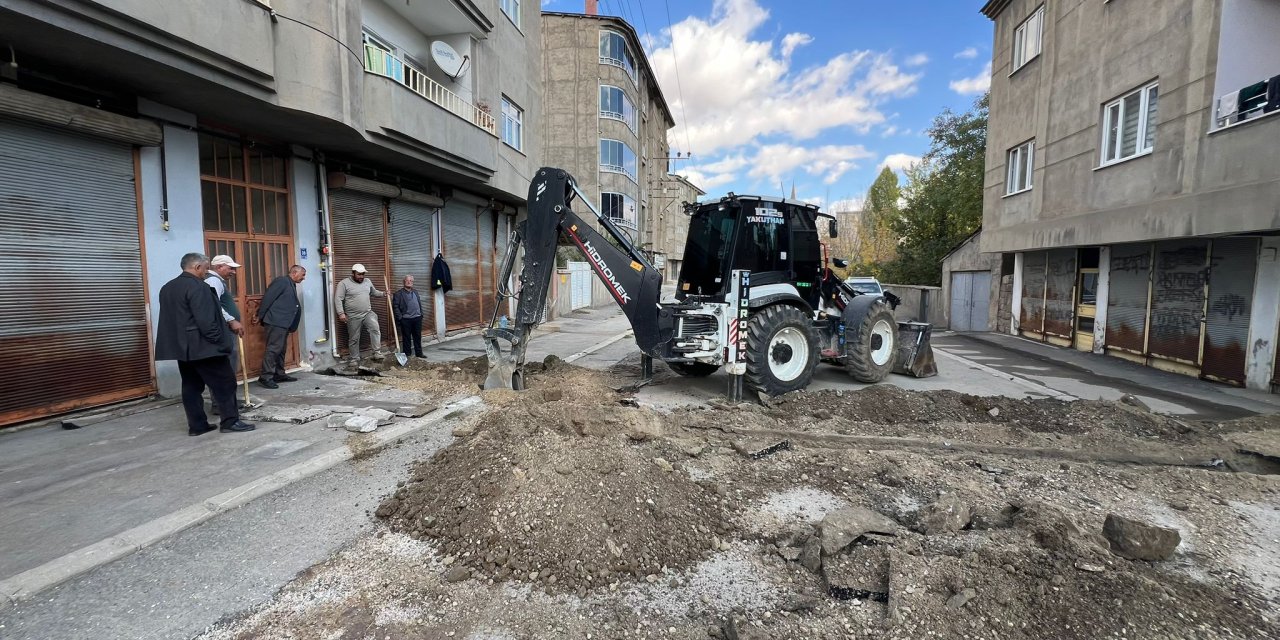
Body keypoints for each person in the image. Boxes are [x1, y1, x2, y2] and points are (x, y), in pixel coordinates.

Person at [154, 252, 256, 436]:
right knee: (225, 383)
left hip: (183, 348)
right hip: (204, 347)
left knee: (191, 386)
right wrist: (219, 342)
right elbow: (206, 321)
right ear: (197, 267)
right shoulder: (198, 287)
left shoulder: (167, 287)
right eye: (205, 268)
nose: (206, 272)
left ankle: (197, 426)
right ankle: (230, 421)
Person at [257, 265, 306, 389]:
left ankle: (279, 374)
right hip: (275, 322)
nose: (304, 278)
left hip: (283, 323)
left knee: (281, 349)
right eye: (303, 275)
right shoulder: (282, 281)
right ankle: (265, 377)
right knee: (273, 349)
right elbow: (268, 298)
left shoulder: (290, 283)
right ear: (294, 272)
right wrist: (260, 315)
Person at [335, 263, 385, 365]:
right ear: (353, 273)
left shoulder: (367, 281)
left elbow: (373, 292)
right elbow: (338, 299)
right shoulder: (343, 283)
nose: (361, 277)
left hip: (367, 313)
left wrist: (384, 293)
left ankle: (377, 352)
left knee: (375, 328)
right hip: (353, 316)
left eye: (363, 274)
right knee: (354, 338)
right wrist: (341, 313)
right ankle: (354, 358)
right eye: (359, 274)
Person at [392, 275, 425, 358]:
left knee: (417, 337)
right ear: (404, 282)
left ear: (413, 282)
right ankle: (407, 355)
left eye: (411, 281)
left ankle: (419, 353)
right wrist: (400, 318)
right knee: (406, 338)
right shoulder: (399, 294)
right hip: (406, 319)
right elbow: (395, 307)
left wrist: (421, 314)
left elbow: (419, 303)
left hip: (417, 318)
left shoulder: (415, 292)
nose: (409, 282)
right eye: (407, 280)